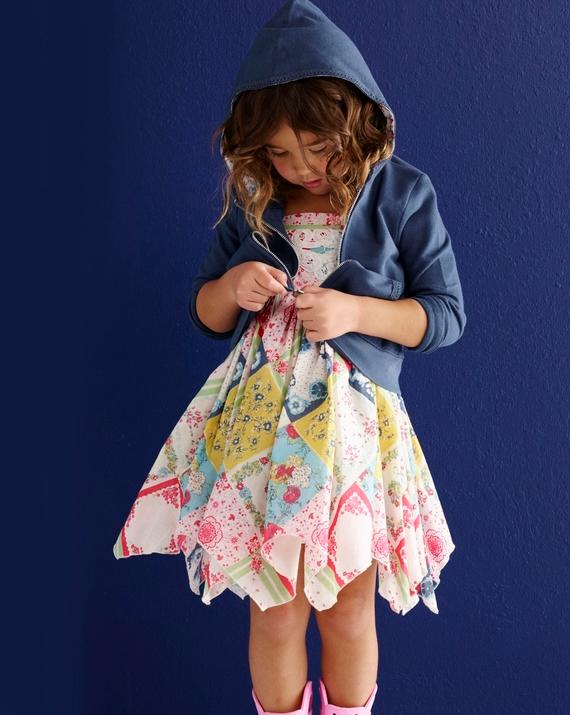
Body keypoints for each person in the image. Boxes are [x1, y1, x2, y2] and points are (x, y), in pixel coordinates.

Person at [112, 1, 467, 713]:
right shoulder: (255, 198)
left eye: (318, 148)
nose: (300, 167)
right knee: (273, 606)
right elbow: (205, 311)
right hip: (260, 439)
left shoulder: (401, 193)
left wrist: (354, 313)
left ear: (358, 124)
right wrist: (231, 288)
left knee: (348, 605)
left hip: (350, 438)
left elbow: (444, 315)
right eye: (278, 153)